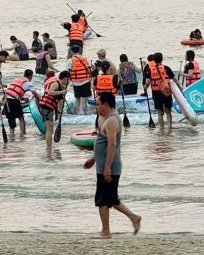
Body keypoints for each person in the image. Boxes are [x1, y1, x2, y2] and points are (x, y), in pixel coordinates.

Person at [84, 92, 141, 238]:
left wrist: (107, 168)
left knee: (102, 200)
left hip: (110, 167)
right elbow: (101, 144)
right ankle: (134, 218)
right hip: (104, 165)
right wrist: (94, 159)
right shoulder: (103, 118)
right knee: (112, 199)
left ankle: (105, 231)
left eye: (97, 104)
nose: (95, 107)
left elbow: (112, 145)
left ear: (106, 104)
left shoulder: (112, 121)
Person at [143, 53, 176, 129]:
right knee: (168, 111)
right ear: (162, 59)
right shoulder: (167, 68)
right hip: (166, 91)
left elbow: (148, 82)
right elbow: (175, 80)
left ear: (154, 60)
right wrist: (180, 90)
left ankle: (161, 128)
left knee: (160, 112)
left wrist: (145, 87)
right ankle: (170, 127)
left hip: (156, 92)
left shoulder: (150, 69)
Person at [4, 70, 39, 138]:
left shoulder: (16, 79)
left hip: (6, 99)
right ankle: (22, 134)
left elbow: (15, 90)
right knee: (21, 117)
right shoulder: (28, 83)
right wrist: (40, 102)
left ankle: (12, 134)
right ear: (30, 76)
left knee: (11, 117)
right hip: (14, 100)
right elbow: (36, 95)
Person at [39, 70, 70, 147]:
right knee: (49, 129)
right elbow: (50, 92)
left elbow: (60, 101)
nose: (69, 81)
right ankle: (48, 148)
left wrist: (59, 112)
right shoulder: (55, 83)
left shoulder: (61, 87)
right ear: (65, 78)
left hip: (50, 108)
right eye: (68, 79)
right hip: (45, 107)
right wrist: (62, 92)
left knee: (50, 128)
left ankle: (49, 146)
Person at [67, 45, 92, 114]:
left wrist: (66, 84)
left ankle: (76, 113)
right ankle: (85, 113)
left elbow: (68, 73)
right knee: (84, 98)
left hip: (76, 83)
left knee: (77, 99)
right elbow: (90, 70)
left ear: (71, 51)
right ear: (79, 51)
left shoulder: (70, 60)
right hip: (86, 81)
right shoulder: (86, 59)